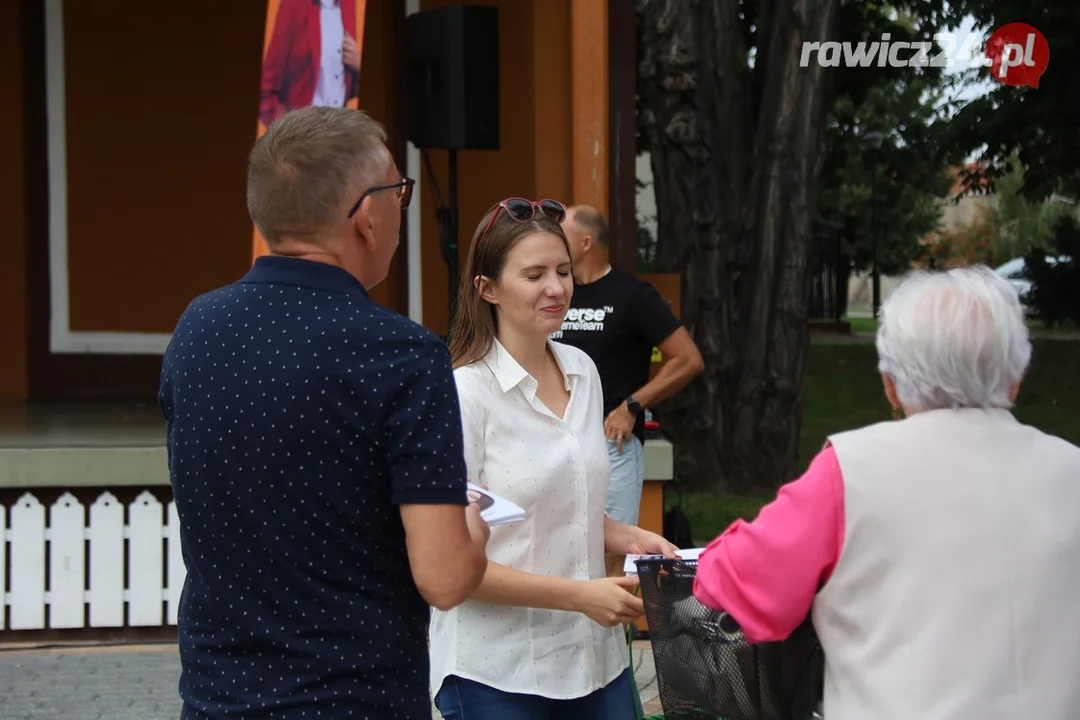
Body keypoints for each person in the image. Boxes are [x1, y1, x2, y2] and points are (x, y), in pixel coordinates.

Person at [159, 106, 489, 719]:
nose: (400, 207)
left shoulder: (196, 328)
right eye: (398, 190)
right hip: (354, 700)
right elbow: (445, 578)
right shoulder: (401, 353)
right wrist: (472, 531)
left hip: (216, 699)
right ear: (366, 216)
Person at [692, 265, 1080, 719]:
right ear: (1017, 377)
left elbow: (735, 585)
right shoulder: (1069, 468)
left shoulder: (850, 469)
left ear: (889, 384)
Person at [429, 197, 680, 719]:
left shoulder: (582, 371)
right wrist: (580, 596)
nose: (556, 288)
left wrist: (630, 537)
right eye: (535, 274)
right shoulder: (464, 393)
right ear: (487, 288)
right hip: (496, 673)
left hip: (595, 663)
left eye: (564, 271)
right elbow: (451, 564)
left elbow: (565, 507)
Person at [556, 205, 703, 528]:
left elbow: (688, 359)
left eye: (560, 233)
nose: (552, 240)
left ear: (585, 242)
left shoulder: (632, 296)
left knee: (613, 552)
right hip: (556, 438)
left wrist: (633, 405)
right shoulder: (556, 294)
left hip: (611, 440)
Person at [259, 0, 362, 129]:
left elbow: (344, 85)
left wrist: (359, 68)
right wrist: (291, 132)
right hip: (304, 140)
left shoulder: (348, 4)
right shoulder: (294, 5)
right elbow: (265, 93)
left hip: (338, 138)